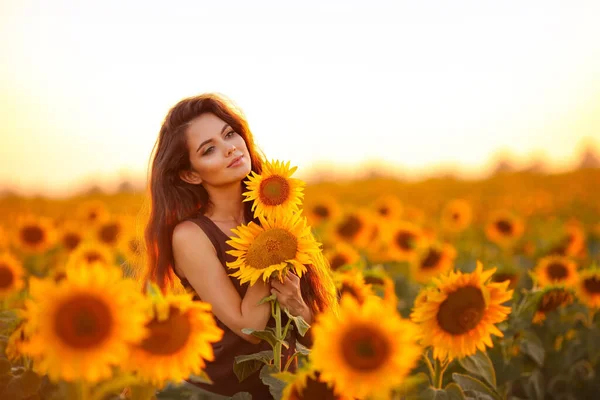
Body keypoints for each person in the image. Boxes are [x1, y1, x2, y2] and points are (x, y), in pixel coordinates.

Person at [142, 93, 338, 399]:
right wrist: (268, 244)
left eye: (229, 134)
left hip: (291, 385)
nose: (230, 148)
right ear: (191, 173)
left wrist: (298, 306)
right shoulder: (191, 236)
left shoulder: (276, 217)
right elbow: (249, 328)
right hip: (229, 389)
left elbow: (320, 329)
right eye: (209, 150)